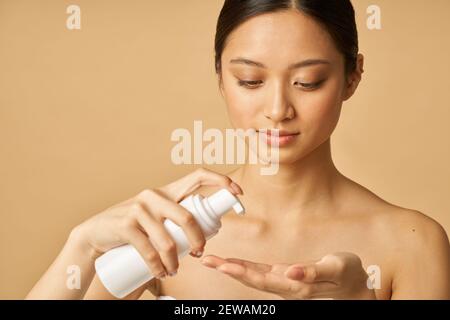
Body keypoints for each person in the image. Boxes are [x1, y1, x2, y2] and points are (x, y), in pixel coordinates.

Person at [27, 0, 450, 300]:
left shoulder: (410, 244)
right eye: (250, 81)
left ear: (352, 77)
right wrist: (80, 246)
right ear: (220, 77)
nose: (277, 110)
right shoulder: (171, 236)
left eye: (308, 82)